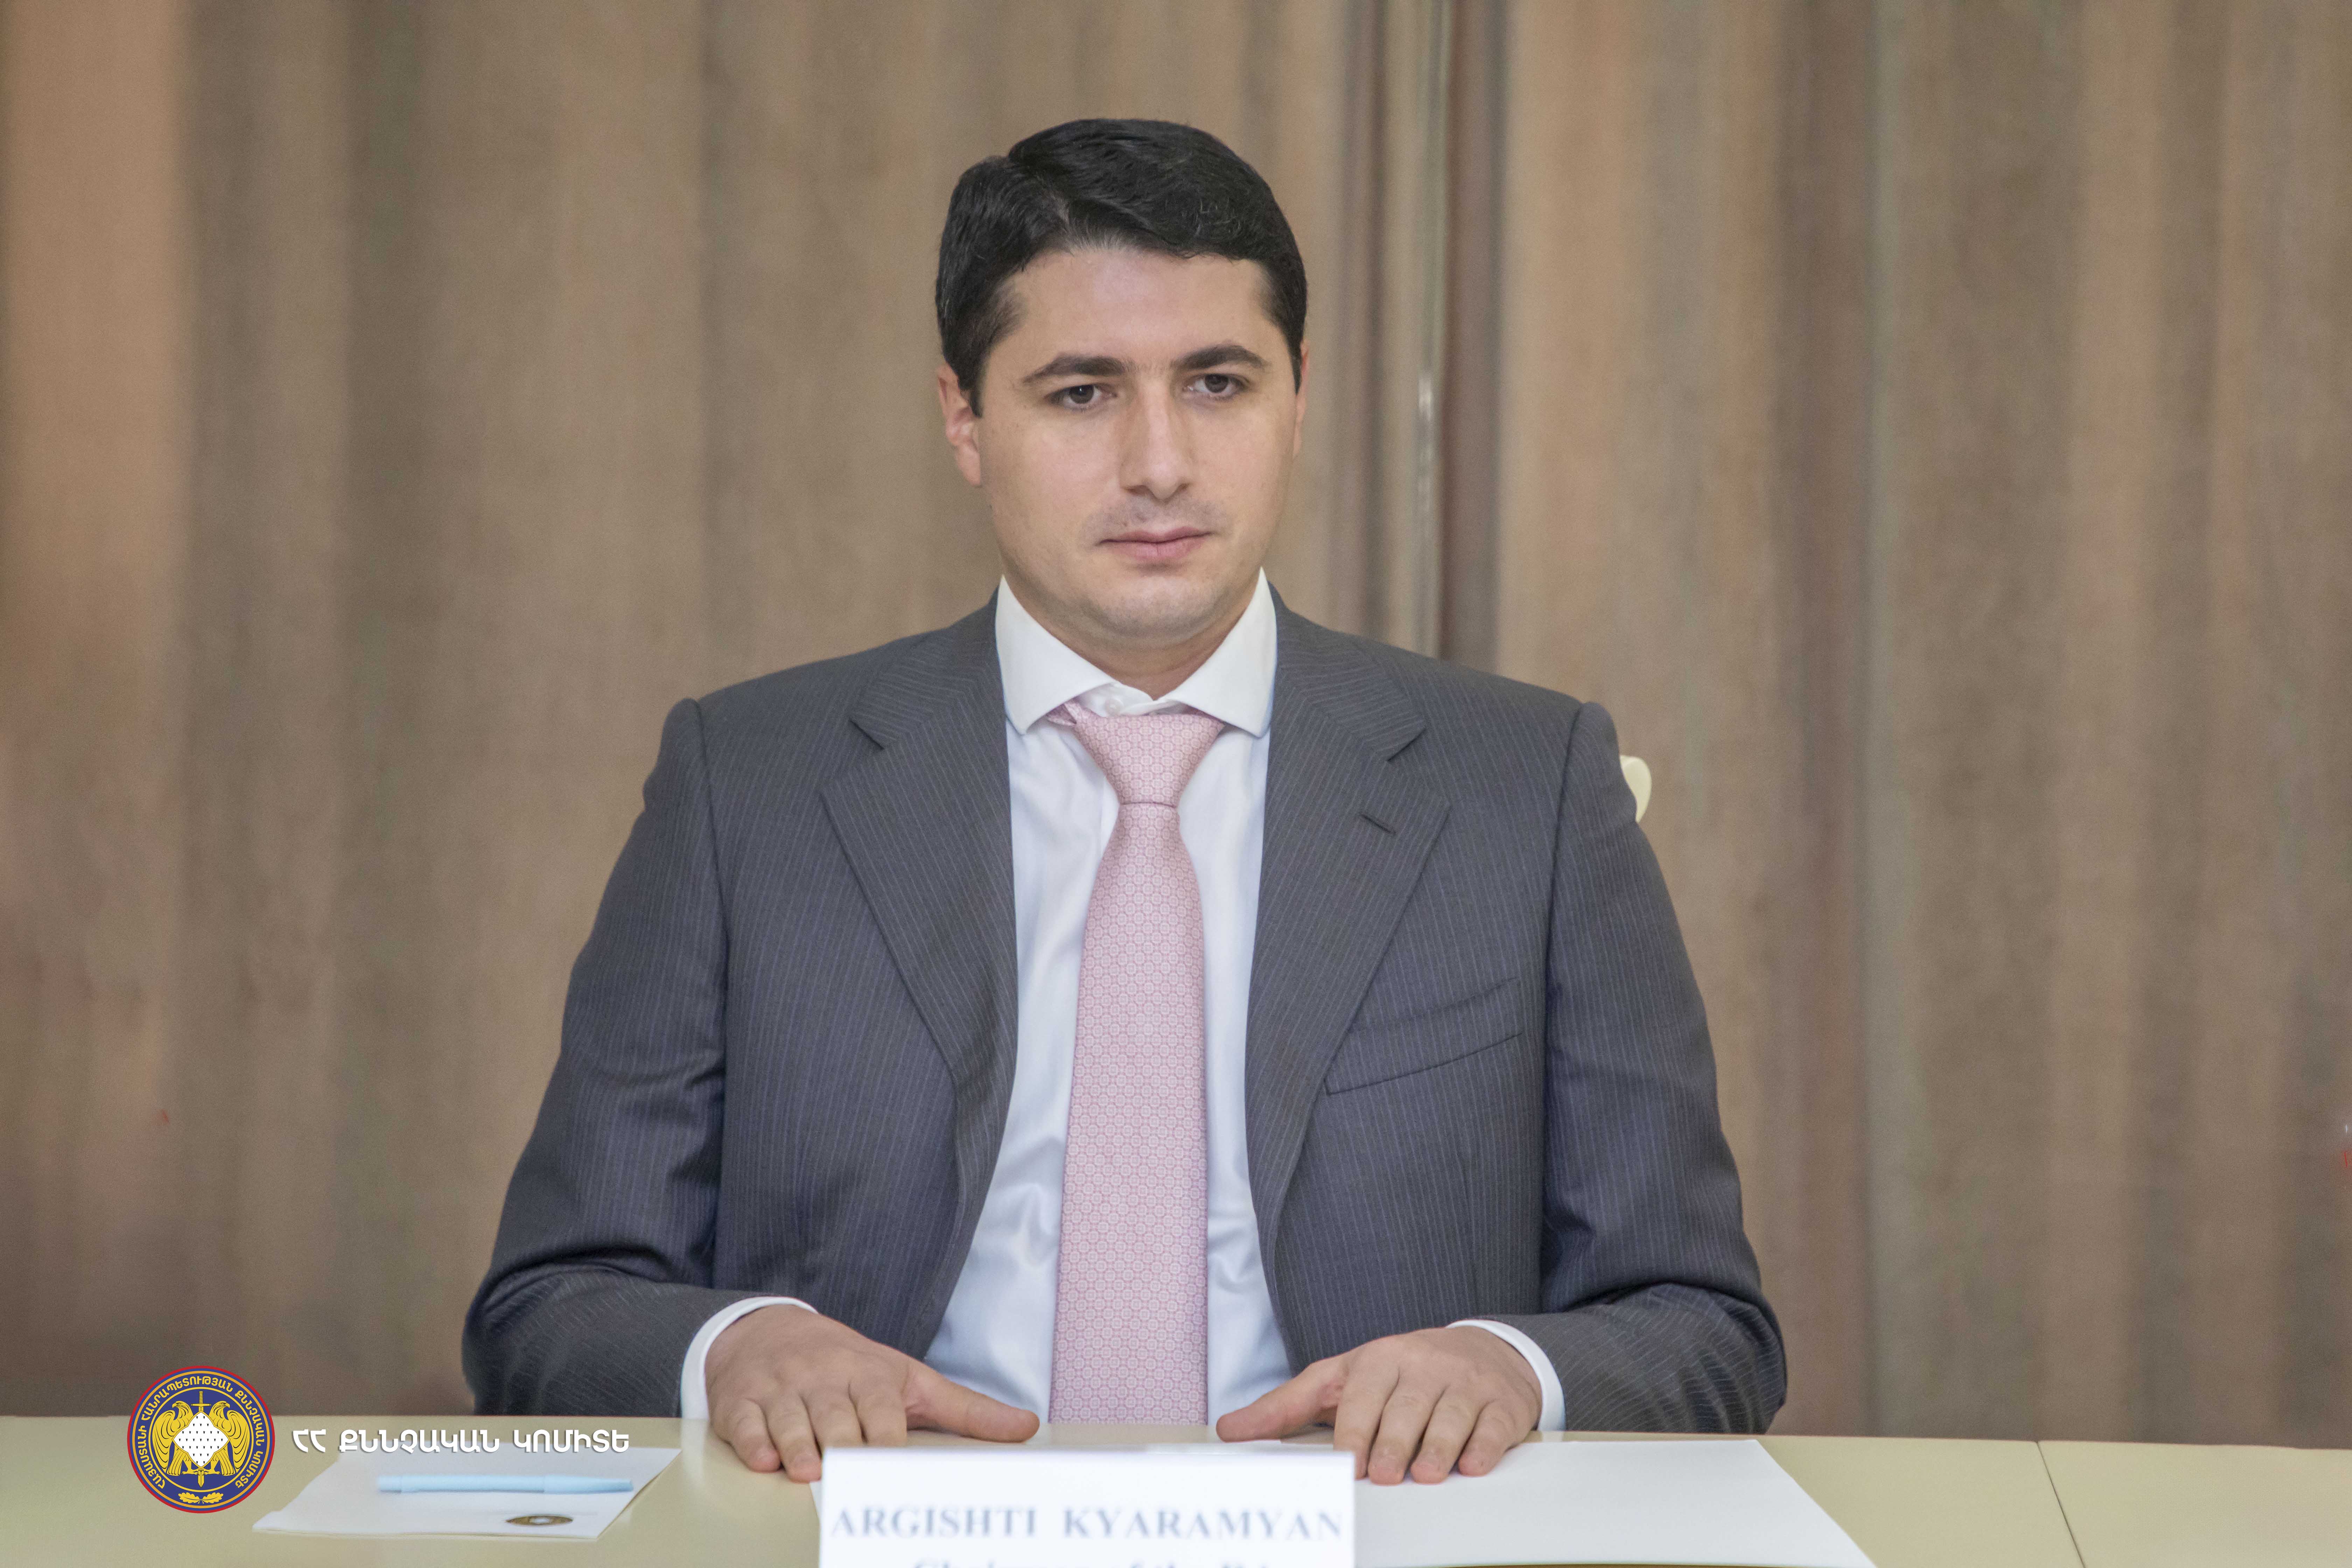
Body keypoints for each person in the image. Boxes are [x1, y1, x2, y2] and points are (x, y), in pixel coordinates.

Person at [464, 118, 1781, 1488]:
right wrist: (735, 1345)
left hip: (1366, 1530)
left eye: (1217, 383)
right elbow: (548, 1312)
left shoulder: (1527, 784)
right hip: (892, 1530)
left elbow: (1706, 1329)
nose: (1160, 463)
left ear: (1298, 397)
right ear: (965, 420)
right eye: (1082, 393)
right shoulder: (747, 785)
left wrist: (1513, 1368)